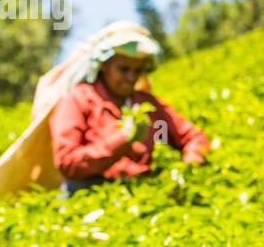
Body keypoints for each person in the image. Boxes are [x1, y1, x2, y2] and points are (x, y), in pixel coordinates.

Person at [49, 29, 209, 195]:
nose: (131, 77)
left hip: (141, 192)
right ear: (104, 65)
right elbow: (67, 162)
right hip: (90, 194)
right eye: (123, 69)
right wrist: (124, 139)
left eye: (138, 70)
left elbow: (192, 136)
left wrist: (190, 166)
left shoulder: (147, 104)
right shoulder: (79, 100)